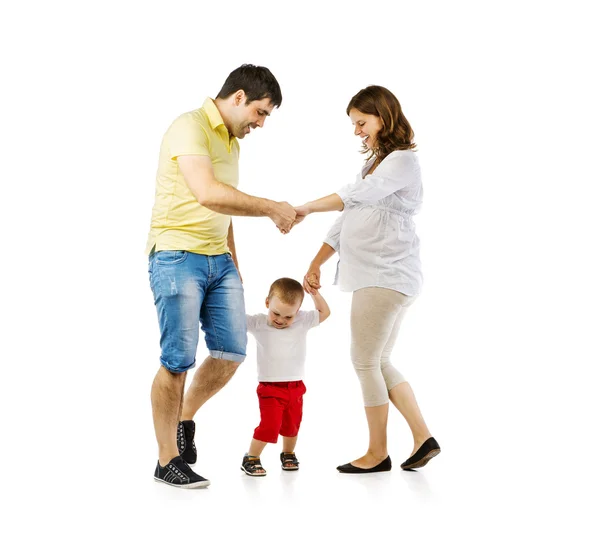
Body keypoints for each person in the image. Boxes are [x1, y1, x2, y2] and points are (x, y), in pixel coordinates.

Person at [146, 64, 297, 488]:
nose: (260, 123)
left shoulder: (232, 141)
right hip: (177, 257)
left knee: (231, 351)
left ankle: (184, 418)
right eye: (261, 112)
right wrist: (271, 207)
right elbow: (208, 192)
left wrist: (234, 260)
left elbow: (223, 207)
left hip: (218, 260)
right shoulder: (188, 126)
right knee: (177, 362)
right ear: (238, 98)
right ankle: (165, 460)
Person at [294, 85, 440, 473]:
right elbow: (349, 217)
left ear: (383, 116)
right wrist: (317, 260)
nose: (357, 131)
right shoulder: (377, 162)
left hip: (384, 273)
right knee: (379, 360)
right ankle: (424, 437)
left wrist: (306, 206)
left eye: (361, 122)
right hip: (382, 274)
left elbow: (357, 194)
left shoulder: (402, 161)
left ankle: (377, 453)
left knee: (363, 361)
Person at [241, 278, 330, 476]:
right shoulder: (258, 322)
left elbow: (325, 312)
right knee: (270, 425)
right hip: (270, 388)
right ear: (267, 303)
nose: (281, 320)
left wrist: (314, 293)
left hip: (296, 386)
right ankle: (251, 456)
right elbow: (233, 317)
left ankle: (288, 453)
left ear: (297, 311)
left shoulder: (303, 320)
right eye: (276, 313)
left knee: (292, 425)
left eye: (288, 316)